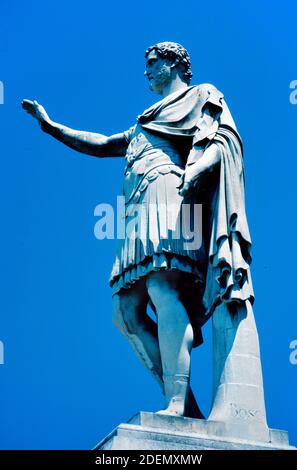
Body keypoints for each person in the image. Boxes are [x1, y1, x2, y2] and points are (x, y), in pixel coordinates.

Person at [22, 42, 254, 418]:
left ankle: (176, 403)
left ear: (174, 62)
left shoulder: (201, 94)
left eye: (152, 63)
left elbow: (223, 137)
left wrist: (200, 167)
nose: (146, 71)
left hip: (170, 191)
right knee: (124, 310)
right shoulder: (145, 120)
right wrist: (52, 127)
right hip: (137, 205)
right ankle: (186, 405)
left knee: (163, 286)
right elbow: (102, 145)